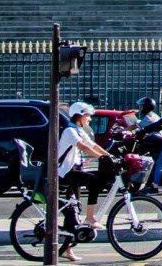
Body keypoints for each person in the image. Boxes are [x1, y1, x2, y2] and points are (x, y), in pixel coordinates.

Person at [57, 103, 117, 258]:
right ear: (79, 115)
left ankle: (66, 249)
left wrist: (109, 157)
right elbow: (83, 147)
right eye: (88, 116)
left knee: (73, 211)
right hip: (65, 173)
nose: (90, 119)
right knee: (95, 182)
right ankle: (90, 218)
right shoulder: (70, 131)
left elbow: (93, 145)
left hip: (74, 171)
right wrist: (102, 158)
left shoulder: (78, 130)